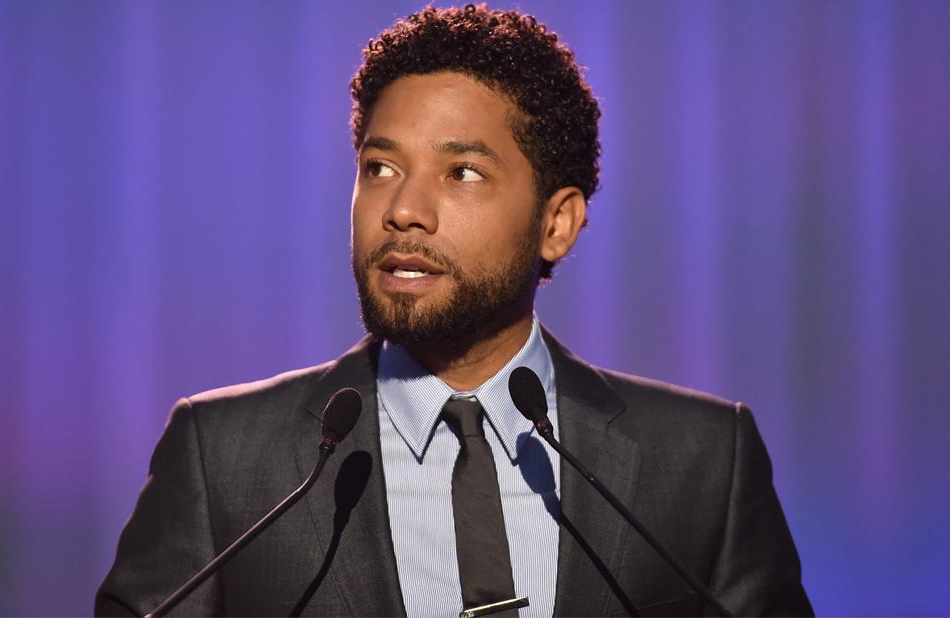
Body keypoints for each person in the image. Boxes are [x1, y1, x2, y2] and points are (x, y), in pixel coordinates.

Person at [96, 5, 813, 617]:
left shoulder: (702, 463)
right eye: (380, 168)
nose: (403, 210)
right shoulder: (226, 462)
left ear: (556, 223)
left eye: (461, 173)